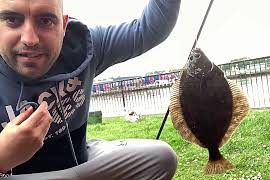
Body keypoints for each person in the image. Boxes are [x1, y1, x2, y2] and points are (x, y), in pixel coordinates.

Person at [0, 0, 181, 179]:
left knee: (161, 157)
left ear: (63, 26)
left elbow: (147, 30)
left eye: (46, 20)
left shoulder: (86, 47)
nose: (30, 39)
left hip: (81, 163)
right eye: (12, 20)